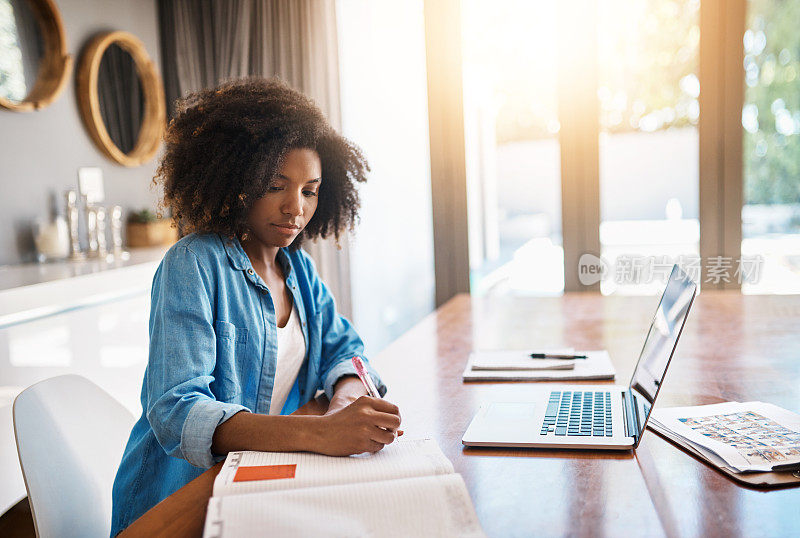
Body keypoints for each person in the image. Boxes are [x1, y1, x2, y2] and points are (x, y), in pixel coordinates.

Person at [110, 79, 401, 535]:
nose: (295, 208)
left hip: (255, 485)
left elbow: (345, 347)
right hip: (176, 504)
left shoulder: (297, 269)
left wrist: (347, 397)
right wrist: (322, 434)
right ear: (236, 180)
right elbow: (177, 410)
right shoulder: (193, 264)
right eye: (275, 185)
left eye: (310, 190)